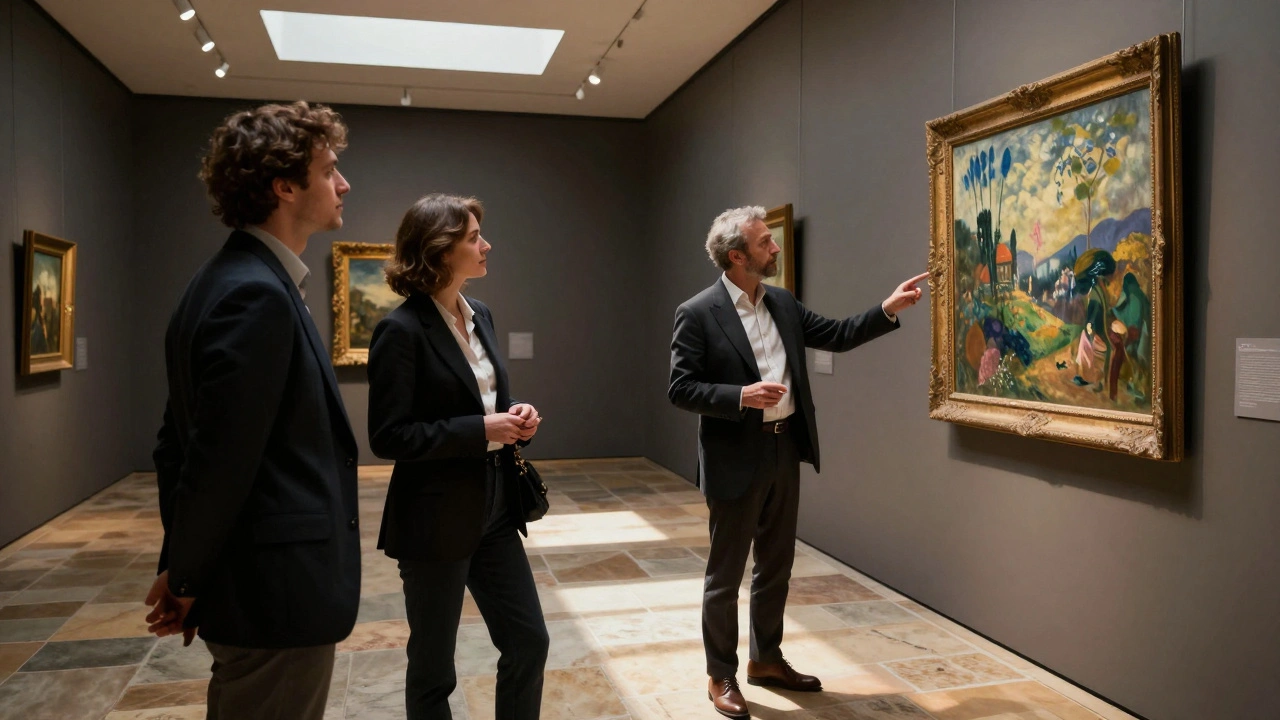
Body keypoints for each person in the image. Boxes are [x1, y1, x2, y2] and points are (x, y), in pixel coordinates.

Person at [145, 101, 360, 720]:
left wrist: (182, 567)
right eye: (328, 170)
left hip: (257, 585)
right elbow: (216, 462)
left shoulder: (222, 281)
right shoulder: (255, 295)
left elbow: (175, 444)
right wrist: (185, 578)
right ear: (284, 185)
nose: (343, 184)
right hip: (275, 594)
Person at [668, 205, 927, 719]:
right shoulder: (697, 312)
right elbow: (681, 388)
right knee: (726, 574)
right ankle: (721, 673)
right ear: (737, 256)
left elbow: (837, 333)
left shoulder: (782, 303)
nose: (775, 247)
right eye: (766, 243)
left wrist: (888, 308)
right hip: (734, 458)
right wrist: (741, 395)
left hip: (784, 448)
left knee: (776, 565)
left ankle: (766, 660)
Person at [367, 194, 549, 720]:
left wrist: (515, 418)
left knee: (528, 643)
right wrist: (480, 428)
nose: (486, 244)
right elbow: (389, 436)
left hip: (495, 506)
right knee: (432, 670)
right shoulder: (400, 331)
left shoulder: (481, 315)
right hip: (433, 519)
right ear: (441, 250)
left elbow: (482, 403)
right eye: (473, 237)